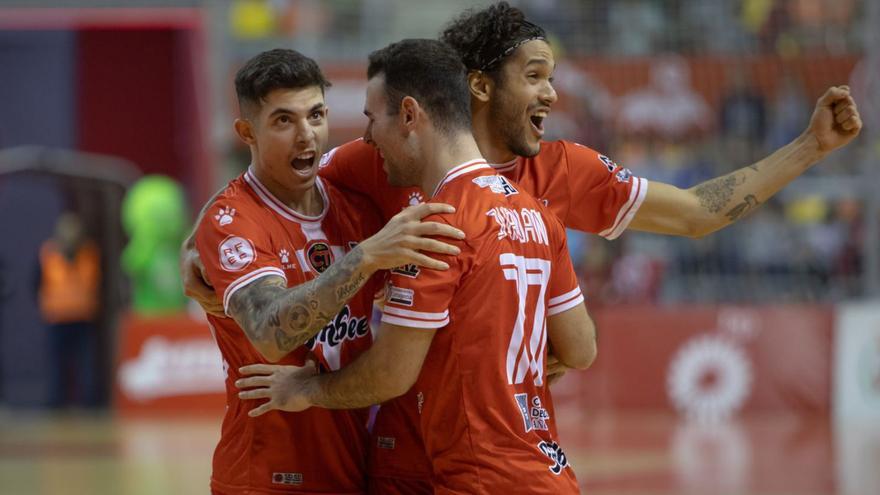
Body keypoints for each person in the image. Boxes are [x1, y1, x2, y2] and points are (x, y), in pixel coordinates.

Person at [183, 2, 861, 491]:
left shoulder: (560, 172)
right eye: (534, 75)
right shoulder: (386, 156)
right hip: (393, 453)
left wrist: (808, 148)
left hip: (469, 455)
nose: (551, 91)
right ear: (478, 85)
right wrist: (201, 252)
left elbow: (694, 215)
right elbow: (269, 195)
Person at [237, 38, 596, 494]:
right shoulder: (539, 217)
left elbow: (391, 375)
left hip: (479, 480)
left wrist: (305, 390)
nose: (367, 138)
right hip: (551, 474)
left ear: (408, 116)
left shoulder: (433, 228)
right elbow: (581, 349)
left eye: (372, 120)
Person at [191, 48, 463, 495]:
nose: (307, 136)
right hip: (265, 476)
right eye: (283, 121)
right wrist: (365, 258)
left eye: (316, 115)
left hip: (354, 466)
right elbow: (268, 329)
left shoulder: (354, 204)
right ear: (247, 132)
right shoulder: (232, 220)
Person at [38, 212, 102, 409]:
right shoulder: (48, 253)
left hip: (83, 317)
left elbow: (99, 282)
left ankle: (89, 404)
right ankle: (56, 403)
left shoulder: (89, 253)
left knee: (86, 364)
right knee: (57, 365)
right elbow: (37, 283)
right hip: (57, 318)